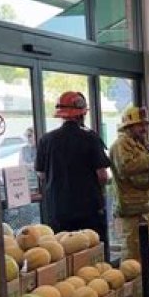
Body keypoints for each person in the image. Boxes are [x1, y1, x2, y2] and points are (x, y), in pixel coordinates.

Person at [35, 91, 111, 242]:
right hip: (88, 210)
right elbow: (102, 175)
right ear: (82, 113)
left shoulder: (46, 140)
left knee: (63, 251)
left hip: (58, 210)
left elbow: (41, 174)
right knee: (92, 251)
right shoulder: (91, 138)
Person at [109, 105, 149, 260]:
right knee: (132, 252)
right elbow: (126, 167)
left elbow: (141, 173)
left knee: (146, 252)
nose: (144, 128)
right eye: (140, 125)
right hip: (131, 210)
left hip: (145, 208)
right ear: (129, 126)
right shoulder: (121, 145)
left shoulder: (141, 144)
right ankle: (132, 277)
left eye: (145, 124)